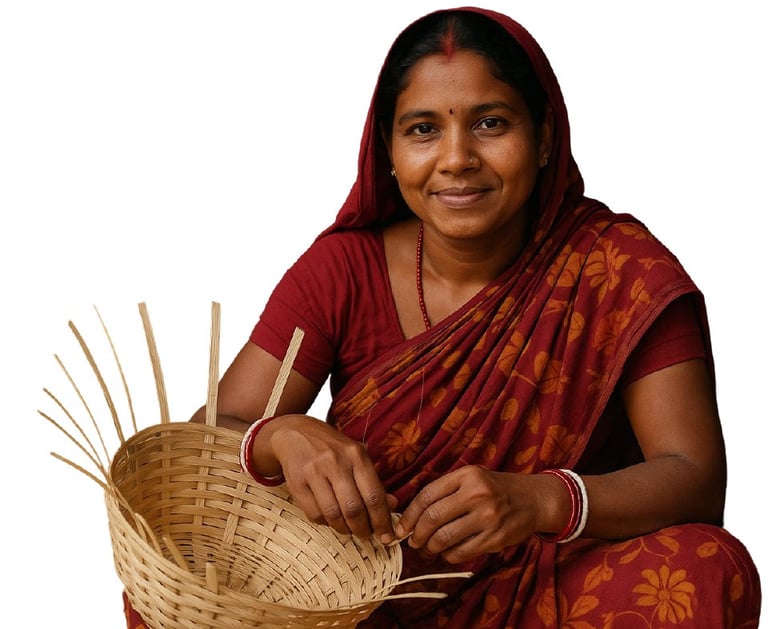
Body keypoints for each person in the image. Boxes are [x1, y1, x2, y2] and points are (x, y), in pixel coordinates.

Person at [124, 6, 761, 627]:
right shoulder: (343, 269)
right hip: (363, 600)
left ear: (544, 140)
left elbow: (693, 476)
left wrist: (540, 498)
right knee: (174, 576)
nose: (456, 157)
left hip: (553, 589)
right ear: (390, 153)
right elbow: (207, 435)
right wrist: (280, 435)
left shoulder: (617, 270)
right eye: (423, 129)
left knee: (706, 567)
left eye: (490, 123)